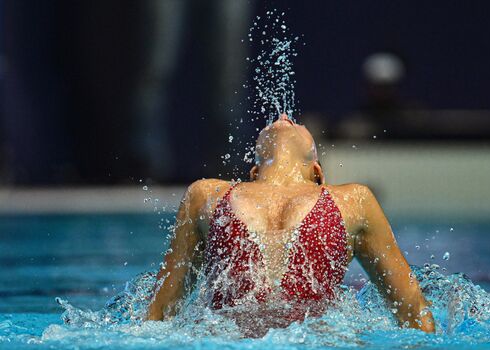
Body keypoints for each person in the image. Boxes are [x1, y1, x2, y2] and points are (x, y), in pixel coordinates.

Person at [146, 114, 435, 335]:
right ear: (254, 171)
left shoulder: (353, 200)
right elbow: (161, 312)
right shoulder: (204, 195)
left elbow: (412, 308)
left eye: (295, 121)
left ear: (317, 171)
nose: (284, 117)